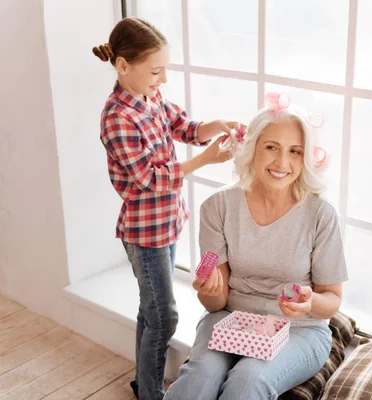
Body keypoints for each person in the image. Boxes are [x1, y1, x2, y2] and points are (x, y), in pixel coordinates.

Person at [94, 17, 243, 400]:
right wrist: (205, 161)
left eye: (165, 71)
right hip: (144, 233)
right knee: (165, 316)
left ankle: (144, 384)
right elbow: (150, 178)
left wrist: (216, 125)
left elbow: (183, 126)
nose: (162, 80)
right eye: (155, 71)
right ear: (123, 65)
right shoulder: (117, 118)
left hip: (168, 222)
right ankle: (151, 393)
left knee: (151, 310)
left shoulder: (151, 96)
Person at [164, 101, 348, 400]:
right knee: (200, 378)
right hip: (229, 319)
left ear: (305, 158)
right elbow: (215, 304)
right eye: (272, 147)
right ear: (253, 149)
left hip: (299, 328)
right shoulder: (218, 207)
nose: (282, 162)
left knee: (247, 382)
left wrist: (309, 301)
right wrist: (207, 289)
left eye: (295, 151)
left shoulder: (320, 214)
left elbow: (332, 301)